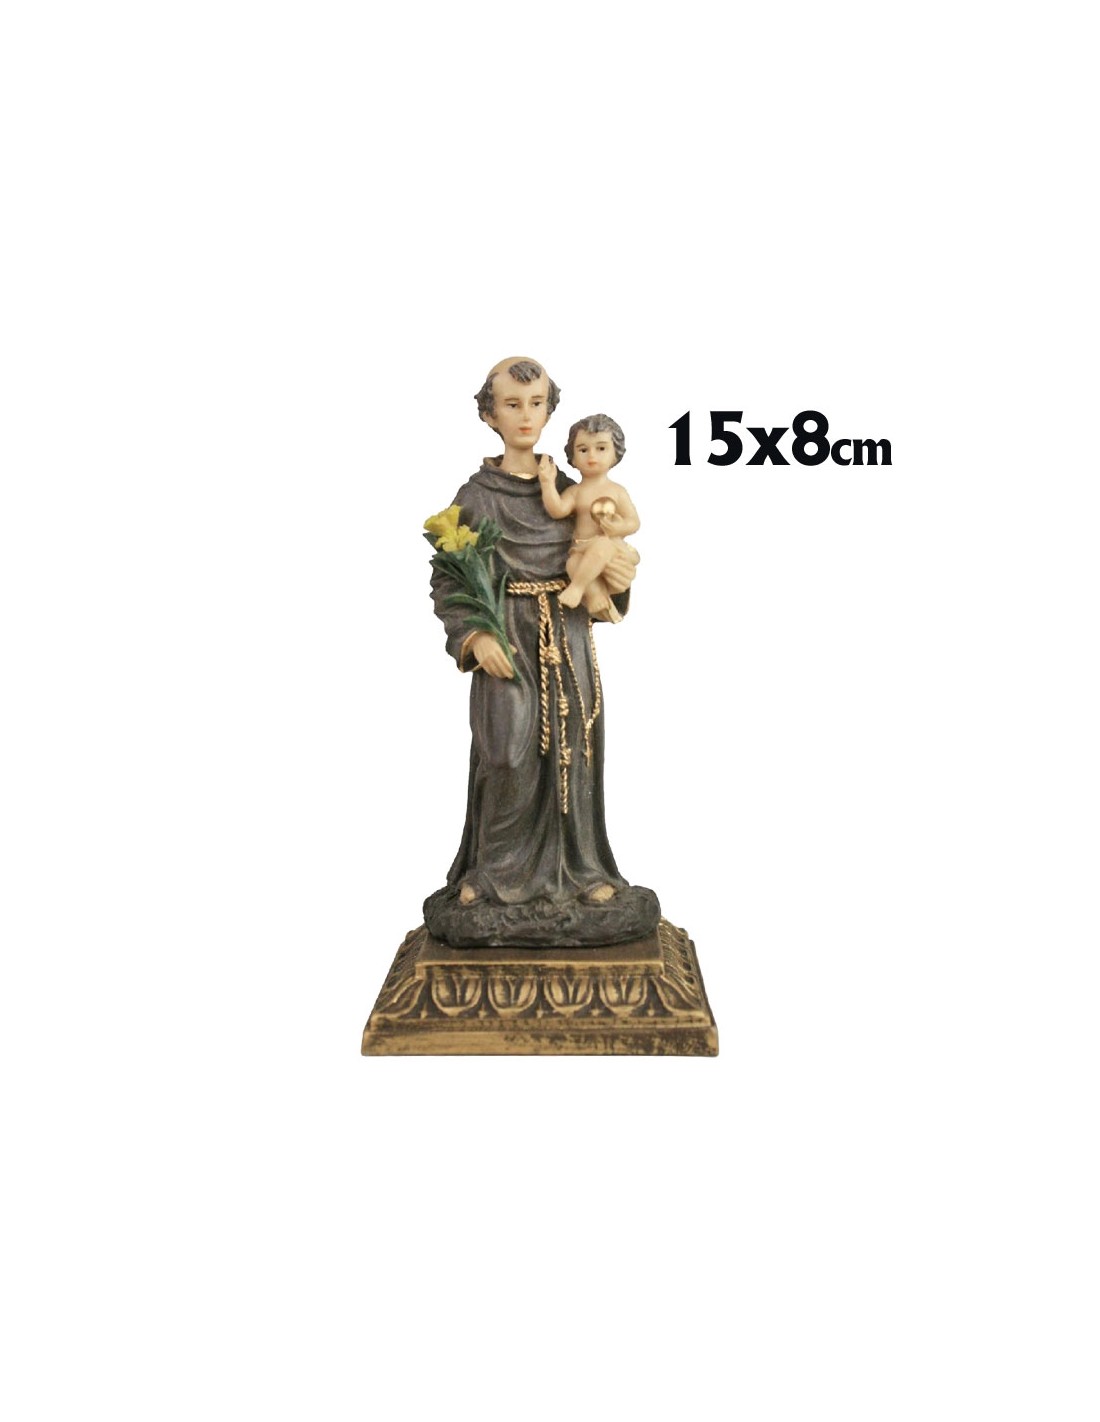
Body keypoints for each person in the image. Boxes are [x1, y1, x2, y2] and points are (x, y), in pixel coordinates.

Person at [424, 357, 659, 948]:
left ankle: (580, 873)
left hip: (565, 636)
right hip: (506, 636)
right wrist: (475, 636)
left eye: (536, 404)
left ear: (550, 410)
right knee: (507, 752)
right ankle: (493, 873)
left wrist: (618, 578)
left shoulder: (571, 487)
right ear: (489, 415)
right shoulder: (478, 496)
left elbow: (600, 547)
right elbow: (450, 577)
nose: (525, 416)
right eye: (511, 405)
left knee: (571, 753)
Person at [538, 413, 640, 622]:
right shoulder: (576, 492)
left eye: (601, 448)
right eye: (583, 450)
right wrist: (547, 484)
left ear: (615, 454)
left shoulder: (617, 491)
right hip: (581, 547)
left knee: (601, 546)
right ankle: (595, 597)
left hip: (609, 547)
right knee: (573, 565)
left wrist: (618, 527)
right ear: (573, 458)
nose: (592, 456)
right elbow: (558, 509)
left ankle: (577, 588)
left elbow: (633, 522)